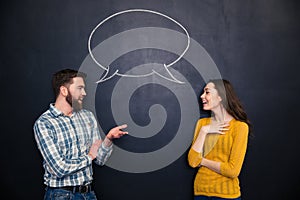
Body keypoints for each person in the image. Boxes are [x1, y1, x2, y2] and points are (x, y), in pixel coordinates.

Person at [34, 68, 128, 200]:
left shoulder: (87, 117)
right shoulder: (44, 123)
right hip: (61, 196)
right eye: (79, 88)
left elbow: (99, 159)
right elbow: (59, 169)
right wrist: (89, 157)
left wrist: (108, 139)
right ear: (64, 90)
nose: (84, 93)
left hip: (88, 194)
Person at [188, 79, 252, 200]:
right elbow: (192, 161)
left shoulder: (239, 127)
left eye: (207, 92)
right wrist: (204, 131)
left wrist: (202, 161)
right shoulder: (202, 124)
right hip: (200, 192)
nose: (202, 96)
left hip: (227, 195)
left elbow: (233, 171)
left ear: (221, 96)